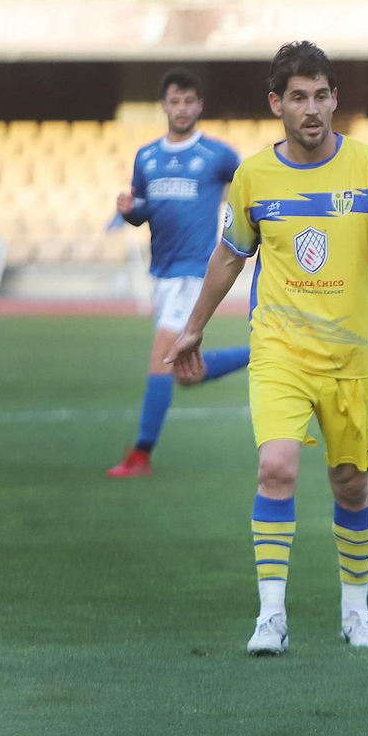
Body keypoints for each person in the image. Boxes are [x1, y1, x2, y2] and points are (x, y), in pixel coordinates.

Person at [165, 41, 368, 655]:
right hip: (279, 350)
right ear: (276, 104)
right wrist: (194, 324)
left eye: (320, 95)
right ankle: (271, 617)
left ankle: (356, 612)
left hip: (353, 358)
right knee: (276, 467)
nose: (311, 108)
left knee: (350, 484)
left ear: (335, 98)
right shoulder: (254, 177)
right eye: (297, 97)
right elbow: (229, 257)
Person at [107, 68, 250, 478]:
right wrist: (130, 211)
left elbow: (248, 190)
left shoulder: (218, 155)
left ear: (200, 105)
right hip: (163, 273)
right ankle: (265, 353)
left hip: (195, 271)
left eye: (190, 101)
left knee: (161, 360)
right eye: (175, 101)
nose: (183, 108)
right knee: (188, 373)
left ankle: (141, 455)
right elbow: (144, 211)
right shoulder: (146, 157)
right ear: (164, 105)